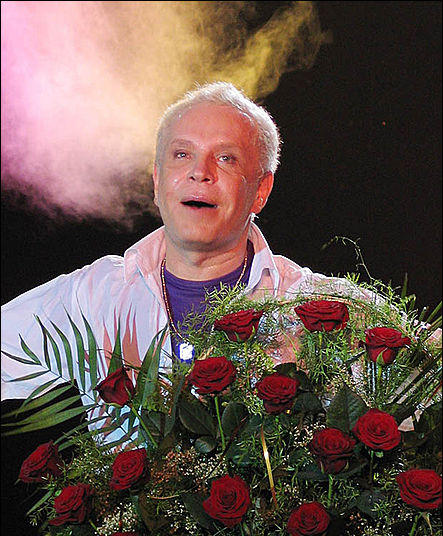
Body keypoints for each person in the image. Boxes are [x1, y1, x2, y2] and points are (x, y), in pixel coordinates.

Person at [0, 82, 385, 443]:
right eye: (182, 154)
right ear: (157, 180)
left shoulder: (324, 310)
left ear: (260, 190)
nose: (200, 172)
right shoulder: (95, 296)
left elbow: (414, 394)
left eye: (226, 158)